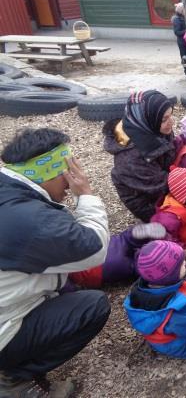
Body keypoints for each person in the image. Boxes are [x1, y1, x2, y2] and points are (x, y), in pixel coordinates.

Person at [0, 128, 111, 397]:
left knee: (69, 284)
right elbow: (93, 249)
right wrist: (85, 195)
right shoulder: (31, 221)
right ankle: (11, 378)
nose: (71, 180)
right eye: (67, 171)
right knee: (93, 306)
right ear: (50, 173)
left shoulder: (9, 192)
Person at [104, 90, 176, 222]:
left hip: (164, 181)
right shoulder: (131, 156)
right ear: (147, 119)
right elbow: (162, 186)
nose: (171, 122)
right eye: (164, 119)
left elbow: (172, 153)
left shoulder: (155, 127)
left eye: (171, 115)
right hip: (149, 203)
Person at [171, 2, 186, 79]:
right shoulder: (176, 19)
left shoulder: (183, 17)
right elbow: (177, 32)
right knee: (184, 56)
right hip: (182, 42)